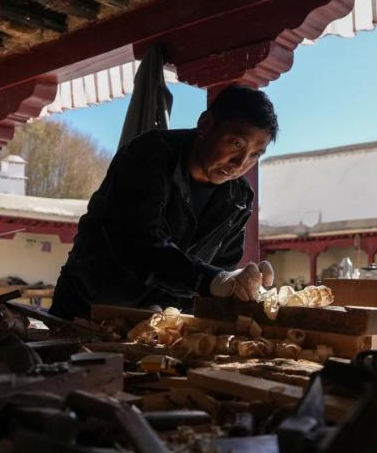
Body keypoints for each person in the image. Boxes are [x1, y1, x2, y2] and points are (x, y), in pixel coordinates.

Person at [49, 85, 278, 320]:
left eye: (255, 154)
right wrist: (211, 279)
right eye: (237, 144)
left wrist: (238, 283)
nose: (241, 163)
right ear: (206, 124)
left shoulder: (238, 198)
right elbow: (139, 243)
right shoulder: (149, 155)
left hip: (159, 322)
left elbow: (222, 266)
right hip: (88, 309)